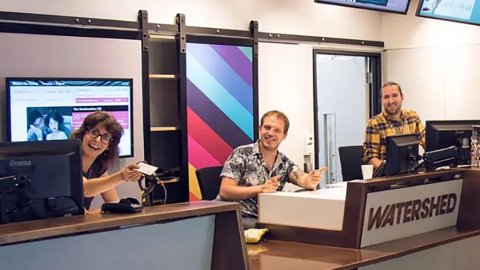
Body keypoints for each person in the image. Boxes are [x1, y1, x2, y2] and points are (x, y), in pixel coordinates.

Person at [219, 110, 327, 228]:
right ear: (260, 129)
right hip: (236, 218)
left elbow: (301, 178)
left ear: (284, 135)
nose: (270, 133)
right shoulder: (242, 154)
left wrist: (310, 180)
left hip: (265, 218)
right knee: (285, 232)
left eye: (277, 130)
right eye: (267, 127)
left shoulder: (284, 162)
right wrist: (261, 188)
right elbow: (225, 191)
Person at [71, 111, 142, 210]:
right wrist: (121, 176)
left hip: (79, 222)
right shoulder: (67, 161)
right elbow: (85, 189)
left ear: (109, 146)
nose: (97, 140)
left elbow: (113, 201)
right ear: (83, 134)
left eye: (106, 137)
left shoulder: (98, 167)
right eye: (94, 132)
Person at [363, 81, 425, 169]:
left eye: (395, 95)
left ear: (402, 97)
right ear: (381, 100)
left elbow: (426, 141)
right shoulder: (374, 124)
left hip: (412, 174)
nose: (391, 101)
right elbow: (370, 157)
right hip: (387, 179)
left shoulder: (412, 117)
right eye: (386, 97)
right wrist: (388, 170)